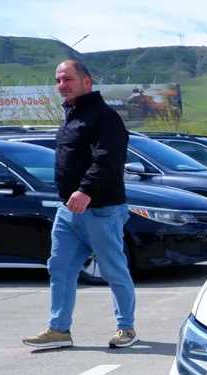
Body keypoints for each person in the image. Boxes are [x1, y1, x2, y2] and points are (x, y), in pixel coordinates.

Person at [23, 59, 138, 350]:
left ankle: (126, 328)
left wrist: (85, 190)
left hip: (101, 210)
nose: (62, 85)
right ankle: (59, 329)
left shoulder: (105, 117)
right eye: (58, 80)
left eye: (67, 79)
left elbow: (108, 159)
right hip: (68, 211)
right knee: (59, 268)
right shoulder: (71, 117)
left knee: (113, 271)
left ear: (86, 81)